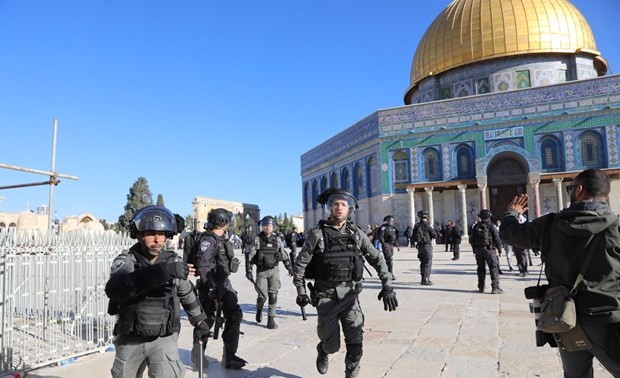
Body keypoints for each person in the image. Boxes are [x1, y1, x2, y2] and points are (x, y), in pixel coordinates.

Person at [500, 168, 620, 377]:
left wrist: (512, 214)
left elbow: (511, 234)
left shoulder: (550, 225)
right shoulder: (617, 227)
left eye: (570, 188)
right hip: (609, 319)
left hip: (565, 318)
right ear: (605, 195)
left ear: (579, 190)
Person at [293, 188, 398, 378]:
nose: (339, 208)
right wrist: (301, 291)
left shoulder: (356, 234)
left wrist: (387, 285)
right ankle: (323, 350)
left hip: (350, 298)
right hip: (326, 299)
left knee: (356, 345)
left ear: (349, 208)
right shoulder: (317, 235)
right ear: (329, 208)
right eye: (335, 204)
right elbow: (300, 265)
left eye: (343, 204)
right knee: (332, 346)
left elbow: (377, 259)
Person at [105, 205, 211, 378]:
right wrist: (164, 272)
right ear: (138, 235)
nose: (157, 240)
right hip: (131, 339)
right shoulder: (127, 260)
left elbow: (186, 292)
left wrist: (200, 322)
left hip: (164, 339)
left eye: (161, 234)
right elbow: (116, 288)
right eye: (150, 234)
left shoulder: (172, 261)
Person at [193, 208, 247, 370]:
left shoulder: (221, 239)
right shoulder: (209, 240)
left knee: (234, 315)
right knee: (206, 321)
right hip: (210, 286)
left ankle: (229, 356)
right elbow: (203, 266)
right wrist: (211, 289)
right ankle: (198, 355)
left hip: (224, 284)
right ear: (222, 221)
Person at [246, 216, 294, 329]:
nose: (267, 227)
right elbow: (250, 256)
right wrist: (249, 271)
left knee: (273, 295)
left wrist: (289, 268)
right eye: (265, 225)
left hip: (274, 271)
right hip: (261, 272)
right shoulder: (257, 239)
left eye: (269, 225)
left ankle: (271, 319)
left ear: (273, 227)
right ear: (262, 226)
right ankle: (259, 310)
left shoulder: (277, 240)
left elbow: (283, 254)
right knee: (262, 296)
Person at [469, 209, 503, 294]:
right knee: (493, 268)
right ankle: (495, 288)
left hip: (478, 250)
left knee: (480, 268)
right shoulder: (491, 226)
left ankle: (481, 287)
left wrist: (474, 249)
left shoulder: (476, 226)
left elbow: (472, 239)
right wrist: (499, 249)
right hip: (489, 250)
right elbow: (496, 238)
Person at [412, 210, 437, 285]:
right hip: (427, 246)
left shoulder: (416, 225)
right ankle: (426, 279)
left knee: (422, 263)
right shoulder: (427, 225)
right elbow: (434, 235)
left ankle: (423, 278)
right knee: (428, 262)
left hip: (420, 247)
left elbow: (413, 236)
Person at [377, 215, 400, 280]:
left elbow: (394, 237)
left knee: (389, 260)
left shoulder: (393, 228)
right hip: (386, 245)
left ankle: (385, 273)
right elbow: (380, 236)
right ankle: (390, 274)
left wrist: (397, 245)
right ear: (387, 221)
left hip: (391, 245)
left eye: (392, 221)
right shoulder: (383, 228)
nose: (391, 222)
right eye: (389, 221)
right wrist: (384, 244)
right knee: (389, 260)